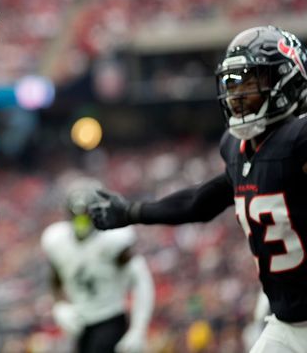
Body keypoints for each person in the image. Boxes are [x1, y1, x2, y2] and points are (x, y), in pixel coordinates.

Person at [88, 25, 307, 353]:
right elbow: (200, 201)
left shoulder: (299, 140)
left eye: (249, 83)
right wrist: (133, 211)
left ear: (286, 81)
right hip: (285, 321)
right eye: (232, 84)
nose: (236, 96)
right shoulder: (240, 150)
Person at [40, 178, 154, 353]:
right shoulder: (57, 240)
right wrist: (59, 306)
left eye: (86, 215)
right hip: (80, 324)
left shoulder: (114, 240)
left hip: (111, 319)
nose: (81, 221)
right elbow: (56, 278)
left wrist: (138, 329)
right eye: (76, 216)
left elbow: (141, 280)